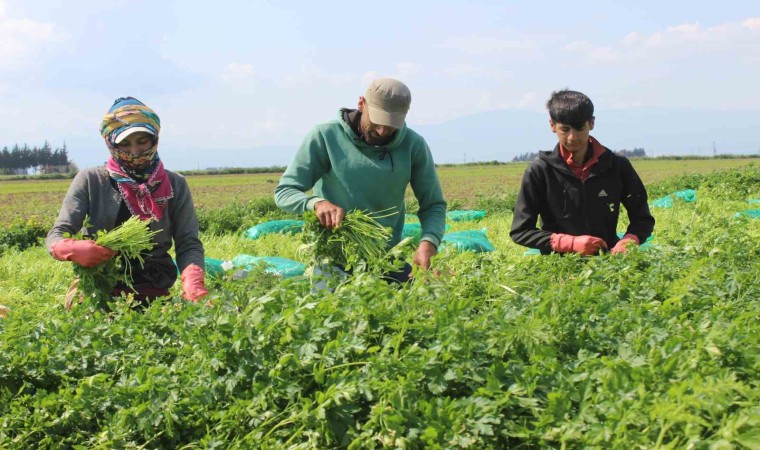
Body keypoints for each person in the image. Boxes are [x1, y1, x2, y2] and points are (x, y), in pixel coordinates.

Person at [275, 77, 447, 281]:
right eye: (377, 120)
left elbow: (433, 204)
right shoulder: (325, 136)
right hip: (333, 260)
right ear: (361, 104)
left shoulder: (413, 145)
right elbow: (284, 192)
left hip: (386, 259)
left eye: (391, 125)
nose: (382, 131)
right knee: (333, 311)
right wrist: (317, 203)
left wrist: (429, 242)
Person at [46, 96, 208, 304]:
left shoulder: (175, 184)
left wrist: (193, 279)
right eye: (125, 143)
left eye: (142, 142)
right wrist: (67, 248)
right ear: (111, 143)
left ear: (154, 139)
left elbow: (188, 243)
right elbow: (57, 233)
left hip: (153, 286)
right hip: (97, 288)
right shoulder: (91, 180)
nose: (135, 152)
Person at [510, 89, 655, 255]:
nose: (572, 137)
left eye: (579, 128)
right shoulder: (540, 170)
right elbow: (520, 231)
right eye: (565, 129)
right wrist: (570, 243)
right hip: (559, 265)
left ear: (591, 123)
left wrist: (629, 240)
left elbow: (643, 218)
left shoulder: (617, 165)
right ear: (552, 126)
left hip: (610, 262)